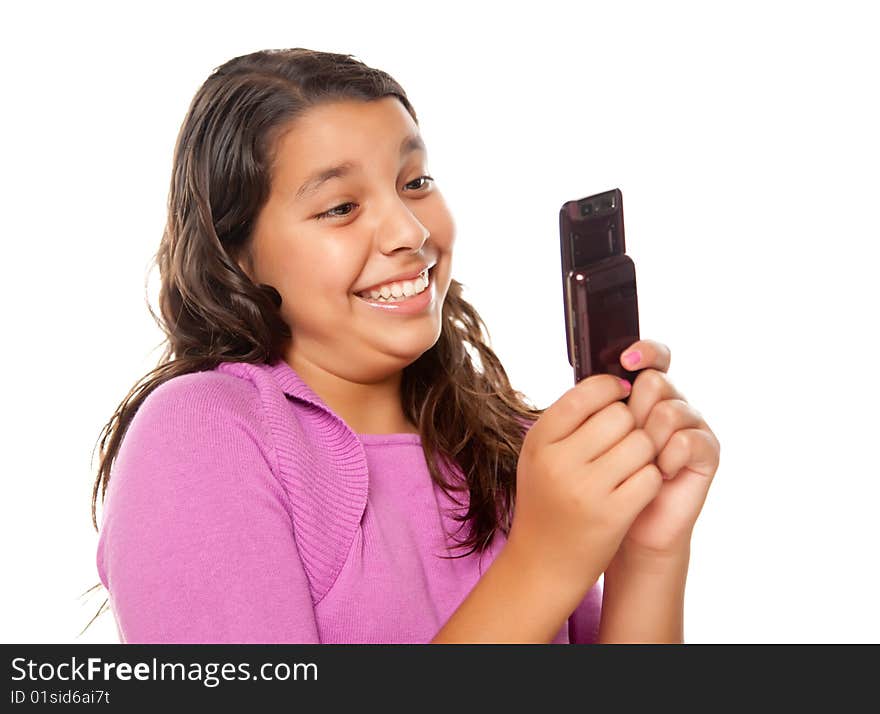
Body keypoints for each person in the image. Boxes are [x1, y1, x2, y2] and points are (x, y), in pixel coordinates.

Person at [85, 48, 721, 644]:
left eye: (415, 183)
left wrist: (649, 549)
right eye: (339, 207)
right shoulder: (203, 435)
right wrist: (545, 561)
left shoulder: (511, 449)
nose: (410, 232)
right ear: (238, 255)